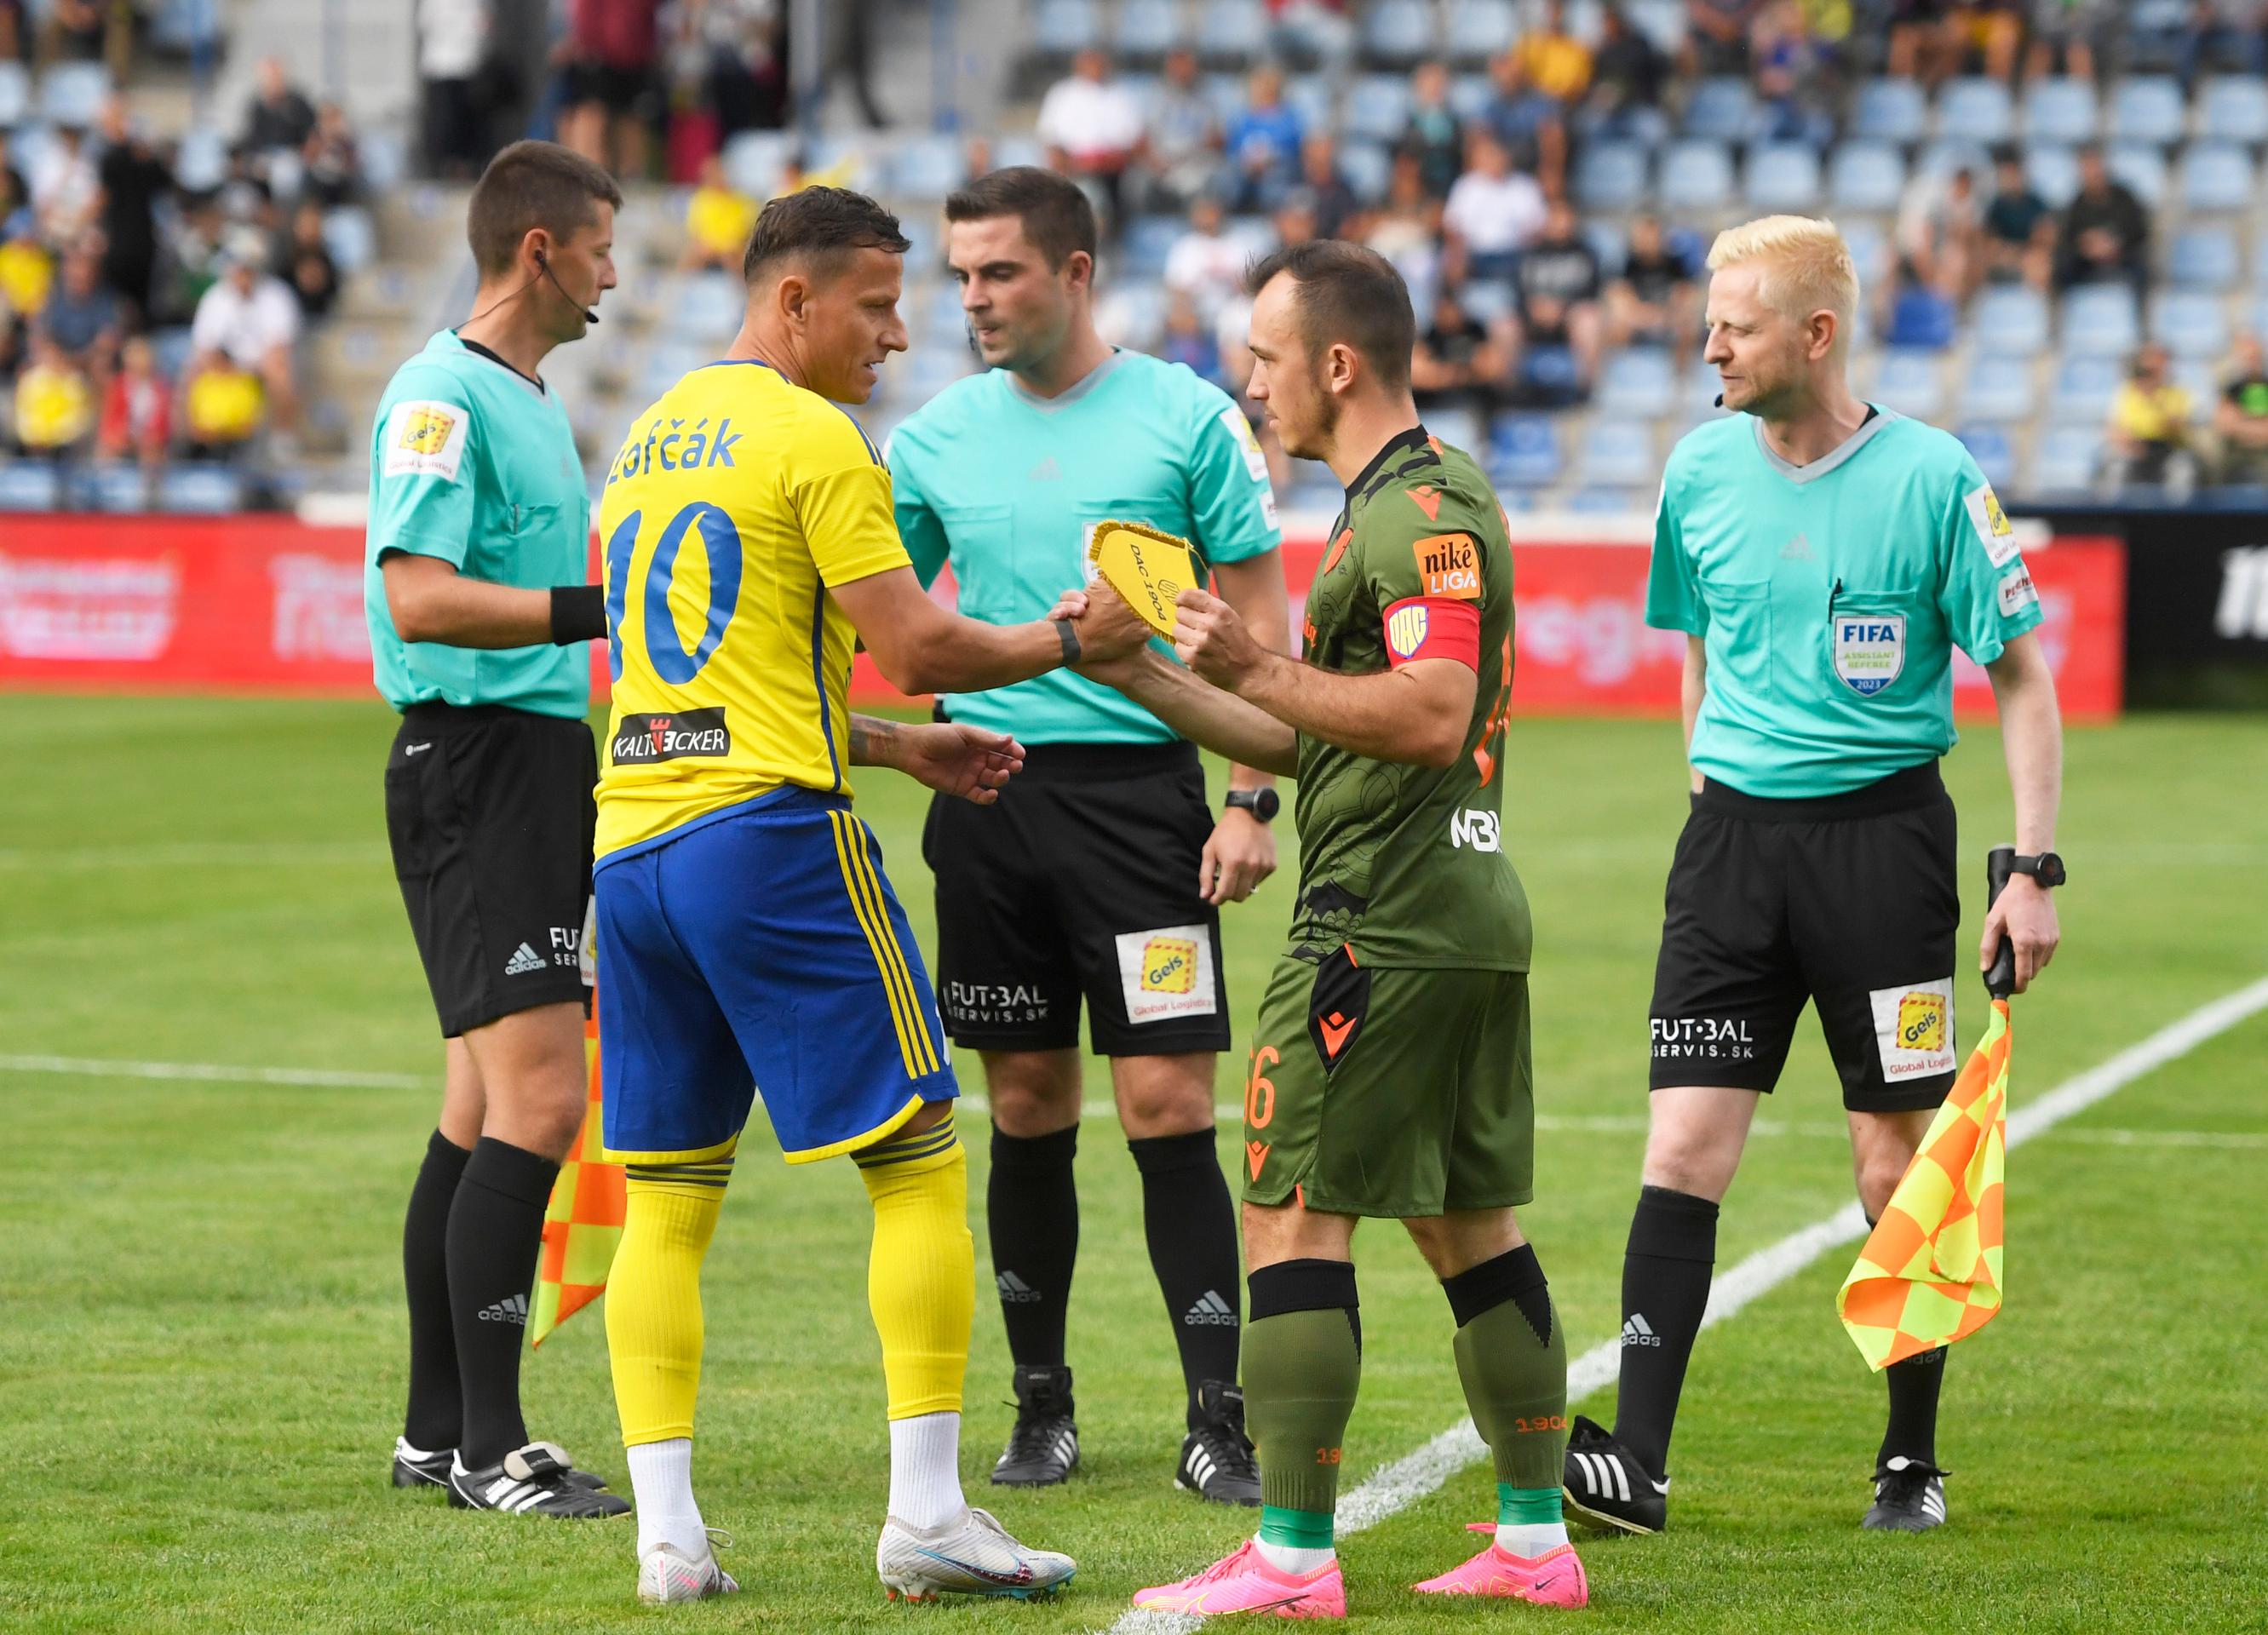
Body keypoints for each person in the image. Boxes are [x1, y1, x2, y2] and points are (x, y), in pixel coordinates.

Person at [1057, 238, 1588, 1617]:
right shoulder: (1397, 509)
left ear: (1335, 364)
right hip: (1456, 913)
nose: (1250, 385)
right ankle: (1534, 1541)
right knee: (1469, 1229)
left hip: (1378, 927)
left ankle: (1288, 1555)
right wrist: (1149, 674)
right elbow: (1320, 740)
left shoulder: (1416, 511)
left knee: (1291, 1219)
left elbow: (1424, 714)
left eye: (1264, 360)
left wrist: (1262, 660)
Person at [592, 183, 1085, 1605]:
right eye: (874, 303)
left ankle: (668, 1543)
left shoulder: (645, 443)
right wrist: (1069, 632)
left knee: (668, 1205)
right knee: (922, 1148)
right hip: (766, 842)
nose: (898, 331)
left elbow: (693, 684)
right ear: (792, 299)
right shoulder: (814, 437)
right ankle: (928, 1512)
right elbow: (917, 632)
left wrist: (894, 743)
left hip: (634, 846)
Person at [1562, 214, 2064, 1541]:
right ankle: (1638, 1463)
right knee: (1680, 1146)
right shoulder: (1695, 471)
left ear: (1814, 334)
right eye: (1708, 319)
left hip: (1881, 854)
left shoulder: (1933, 475)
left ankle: (1908, 1461)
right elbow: (1693, 648)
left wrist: (2028, 869)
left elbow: (2016, 672)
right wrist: (1702, 794)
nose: (1706, 343)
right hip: (1728, 853)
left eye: (1732, 323)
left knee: (1886, 1158)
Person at [887, 166, 1289, 1504]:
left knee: (1166, 1102)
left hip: (1139, 807)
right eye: (958, 276)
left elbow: (1258, 626)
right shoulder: (933, 438)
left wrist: (1247, 798)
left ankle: (1216, 1417)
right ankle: (1040, 1408)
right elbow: (881, 621)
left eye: (995, 272)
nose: (971, 301)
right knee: (1023, 1105)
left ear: (1072, 272)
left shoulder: (1186, 420)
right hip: (989, 802)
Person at [362, 140, 629, 1522]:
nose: (612, 274)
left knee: (478, 1109)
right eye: (598, 247)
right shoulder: (440, 399)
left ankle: (434, 1431)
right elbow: (418, 597)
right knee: (540, 1102)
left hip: (529, 756)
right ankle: (493, 1449)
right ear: (538, 250)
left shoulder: (521, 399)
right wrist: (604, 608)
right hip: (477, 760)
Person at [188, 228, 302, 431]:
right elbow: (204, 348)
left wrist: (249, 367)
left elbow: (279, 349)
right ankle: (192, 446)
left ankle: (283, 437)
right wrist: (225, 367)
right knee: (190, 374)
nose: (242, 275)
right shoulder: (215, 298)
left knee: (280, 374)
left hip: (262, 367)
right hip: (226, 366)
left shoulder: (277, 295)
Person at [1036, 48, 1146, 227]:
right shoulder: (1062, 94)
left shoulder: (1121, 95)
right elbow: (1050, 139)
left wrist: (1108, 161)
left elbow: (1135, 141)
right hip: (1073, 168)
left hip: (1113, 171)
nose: (1095, 69)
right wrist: (1074, 165)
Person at [1512, 198, 1605, 391]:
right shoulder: (1531, 254)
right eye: (1556, 218)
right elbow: (1518, 292)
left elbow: (1592, 291)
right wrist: (1533, 310)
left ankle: (1585, 389)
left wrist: (1561, 308)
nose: (1561, 224)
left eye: (1565, 218)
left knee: (1589, 320)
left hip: (1570, 319)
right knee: (1503, 325)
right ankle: (1509, 391)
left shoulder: (1585, 253)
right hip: (1534, 319)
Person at [1444, 130, 1545, 285]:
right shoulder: (1467, 186)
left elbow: (1538, 226)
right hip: (1476, 254)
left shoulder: (1524, 185)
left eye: (1496, 155)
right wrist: (1459, 254)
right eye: (1488, 156)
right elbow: (1452, 227)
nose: (1493, 160)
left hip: (1515, 254)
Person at [2053, 146, 2150, 297]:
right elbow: (2069, 238)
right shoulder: (2077, 203)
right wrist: (2087, 246)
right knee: (2063, 269)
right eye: (2088, 170)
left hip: (2122, 257)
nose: (2093, 174)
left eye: (2096, 168)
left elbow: (2139, 231)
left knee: (2142, 271)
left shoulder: (2124, 198)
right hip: (2087, 262)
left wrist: (2114, 245)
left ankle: (2139, 314)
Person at [2107, 341, 2194, 488]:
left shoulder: (2177, 392)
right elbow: (2114, 429)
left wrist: (2154, 402)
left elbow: (2175, 427)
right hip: (2133, 448)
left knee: (2182, 468)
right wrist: (2130, 442)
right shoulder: (2126, 392)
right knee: (2116, 466)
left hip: (2166, 449)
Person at [1222, 65, 1306, 214]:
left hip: (1277, 171)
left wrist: (1269, 160)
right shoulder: (1243, 118)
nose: (1265, 90)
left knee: (1274, 184)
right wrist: (1248, 163)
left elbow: (1293, 149)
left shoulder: (1289, 118)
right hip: (1245, 170)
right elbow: (1233, 148)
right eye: (1261, 85)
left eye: (1269, 85)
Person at [1605, 213, 1697, 348]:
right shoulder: (1627, 264)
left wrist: (1665, 315)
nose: (1646, 240)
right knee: (1616, 325)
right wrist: (1643, 316)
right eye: (1642, 235)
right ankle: (1621, 366)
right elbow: (1618, 298)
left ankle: (1682, 370)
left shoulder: (1674, 264)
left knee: (1688, 327)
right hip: (1636, 319)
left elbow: (1685, 296)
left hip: (1667, 319)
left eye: (1651, 235)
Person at [1980, 147, 2052, 291]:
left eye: (2014, 173)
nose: (2011, 179)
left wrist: (2020, 252)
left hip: (2028, 254)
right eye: (2007, 174)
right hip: (2003, 255)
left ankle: (2034, 307)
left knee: (2038, 262)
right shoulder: (1997, 205)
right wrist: (2008, 252)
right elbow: (1989, 241)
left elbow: (2045, 237)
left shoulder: (2036, 203)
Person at [99, 331, 171, 468]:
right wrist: (122, 434)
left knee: (152, 453)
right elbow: (110, 420)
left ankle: (149, 487)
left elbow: (162, 422)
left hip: (149, 440)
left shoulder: (160, 387)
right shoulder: (119, 386)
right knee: (107, 449)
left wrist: (146, 437)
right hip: (124, 437)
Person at [2215, 332, 2268, 486]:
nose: (2251, 362)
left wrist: (2239, 423)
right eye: (2246, 357)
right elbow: (2224, 424)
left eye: (2254, 357)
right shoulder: (2232, 388)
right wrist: (2257, 428)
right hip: (2236, 451)